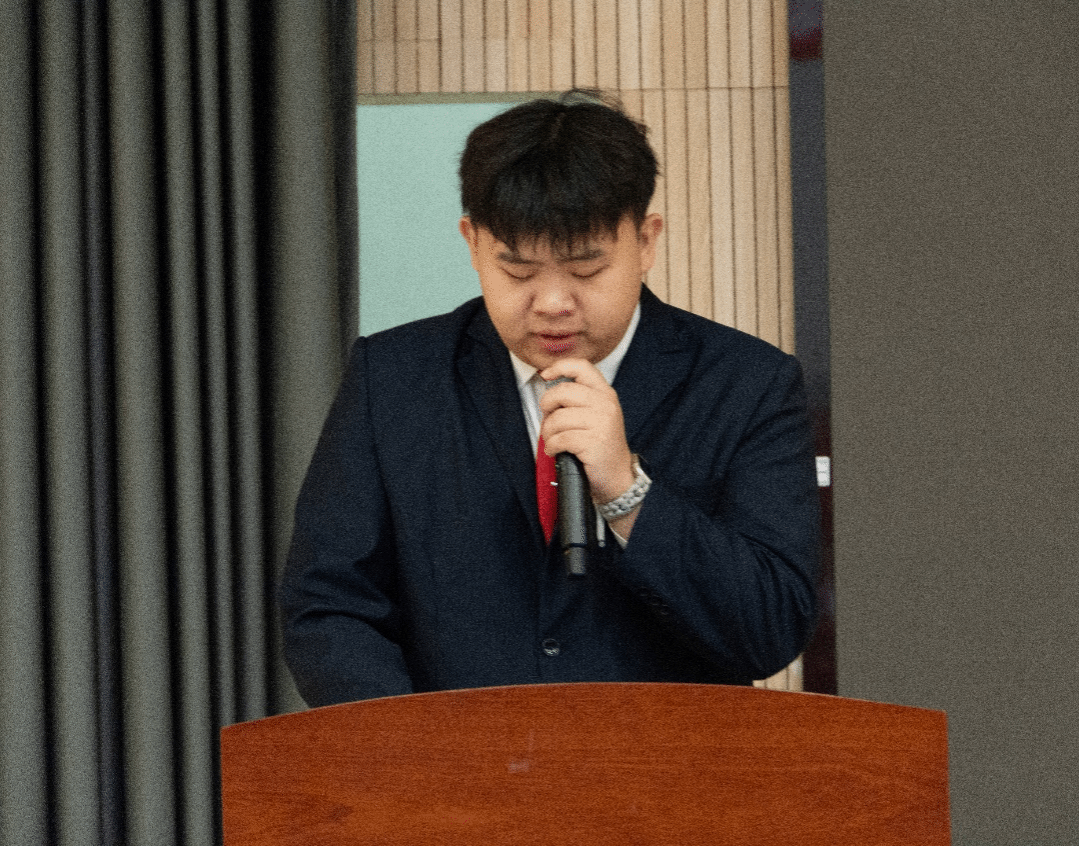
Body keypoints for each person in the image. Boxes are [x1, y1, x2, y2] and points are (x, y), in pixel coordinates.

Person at [280, 90, 820, 707]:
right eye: (518, 271)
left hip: (664, 763)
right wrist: (416, 748)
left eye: (586, 269)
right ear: (473, 242)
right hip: (448, 762)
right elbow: (329, 605)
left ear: (645, 241)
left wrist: (626, 492)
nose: (553, 303)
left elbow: (771, 626)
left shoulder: (747, 384)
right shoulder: (395, 378)